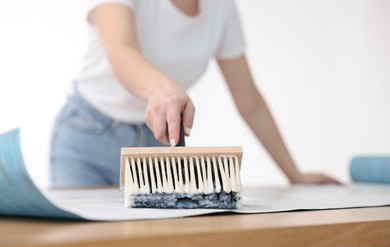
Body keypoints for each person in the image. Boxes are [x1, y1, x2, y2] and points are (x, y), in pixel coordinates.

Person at [50, 0, 341, 187]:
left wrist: (294, 174)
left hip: (158, 145)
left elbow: (249, 100)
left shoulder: (222, 8)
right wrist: (162, 90)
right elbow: (121, 50)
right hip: (89, 136)